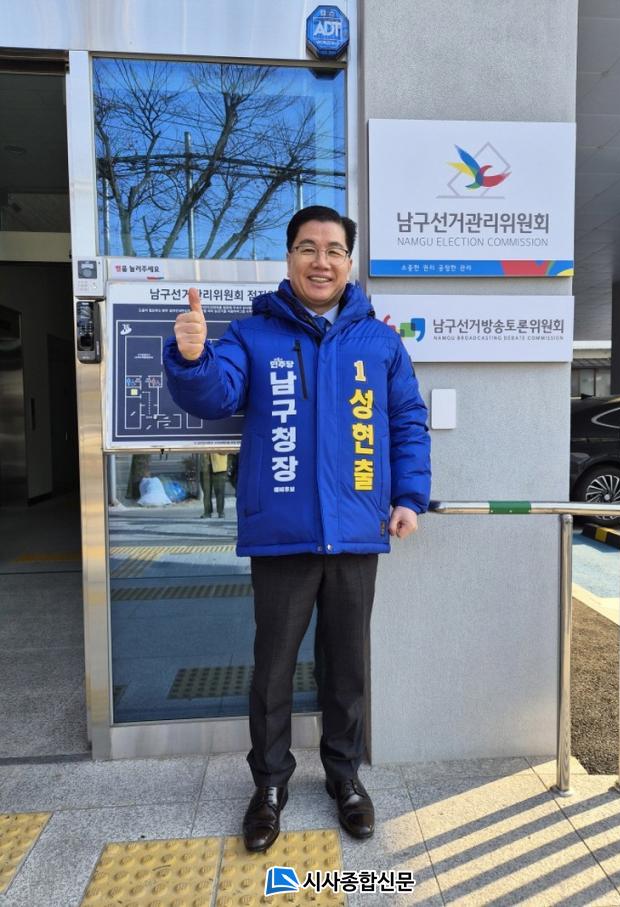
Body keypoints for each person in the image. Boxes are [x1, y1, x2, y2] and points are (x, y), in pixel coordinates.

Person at [163, 205, 431, 851]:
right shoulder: (252, 334)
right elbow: (215, 394)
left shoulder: (379, 342)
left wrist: (409, 496)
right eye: (308, 248)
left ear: (349, 263)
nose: (321, 260)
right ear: (288, 258)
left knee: (347, 669)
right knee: (273, 670)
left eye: (334, 249)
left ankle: (345, 776)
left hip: (357, 530)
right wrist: (192, 356)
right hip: (282, 532)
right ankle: (269, 785)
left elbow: (406, 422)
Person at [199, 451, 228, 518]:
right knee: (206, 491)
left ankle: (221, 512)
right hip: (205, 464)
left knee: (220, 490)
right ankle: (207, 512)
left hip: (219, 464)